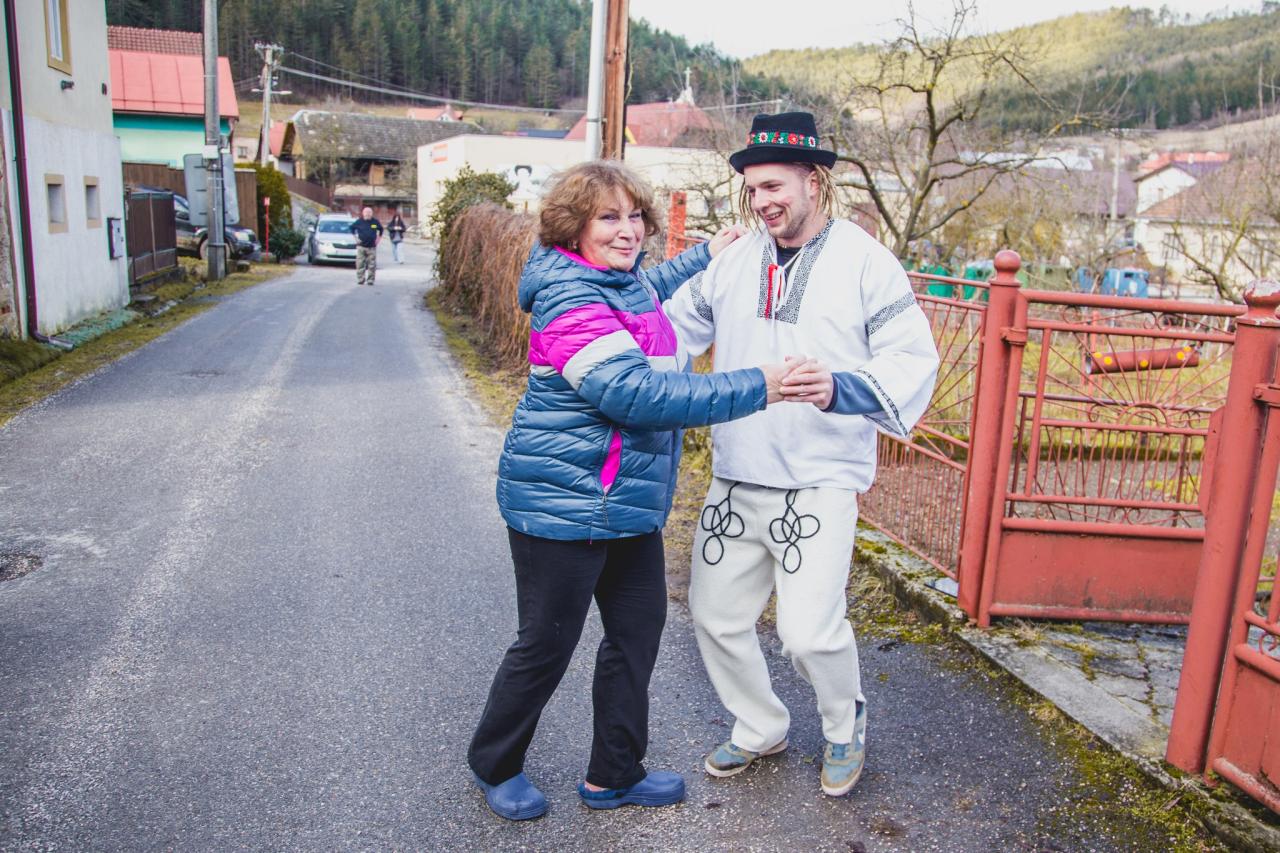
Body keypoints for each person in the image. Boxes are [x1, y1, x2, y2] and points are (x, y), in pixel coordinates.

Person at [468, 160, 795, 821]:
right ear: (573, 228)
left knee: (637, 634)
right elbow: (635, 394)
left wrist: (706, 253)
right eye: (608, 218)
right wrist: (760, 384)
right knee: (546, 645)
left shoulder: (617, 279)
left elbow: (647, 286)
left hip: (626, 504)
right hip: (561, 506)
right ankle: (494, 763)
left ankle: (613, 774)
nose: (628, 230)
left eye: (635, 216)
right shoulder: (568, 298)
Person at [663, 112, 940, 798]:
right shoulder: (733, 259)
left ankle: (844, 725)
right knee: (716, 616)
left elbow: (912, 358)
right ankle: (760, 724)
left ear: (813, 182)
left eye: (773, 187)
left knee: (809, 632)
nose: (761, 201)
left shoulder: (866, 261)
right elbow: (670, 329)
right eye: (753, 188)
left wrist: (839, 387)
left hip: (819, 478)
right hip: (738, 472)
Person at [349, 207, 383, 285]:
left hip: (372, 247)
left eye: (369, 212)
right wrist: (355, 238)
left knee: (372, 265)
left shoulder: (375, 222)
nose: (368, 214)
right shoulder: (359, 222)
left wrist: (378, 240)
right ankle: (361, 279)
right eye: (366, 212)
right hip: (361, 247)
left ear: (372, 213)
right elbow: (351, 228)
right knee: (360, 264)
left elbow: (381, 230)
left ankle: (370, 280)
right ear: (363, 213)